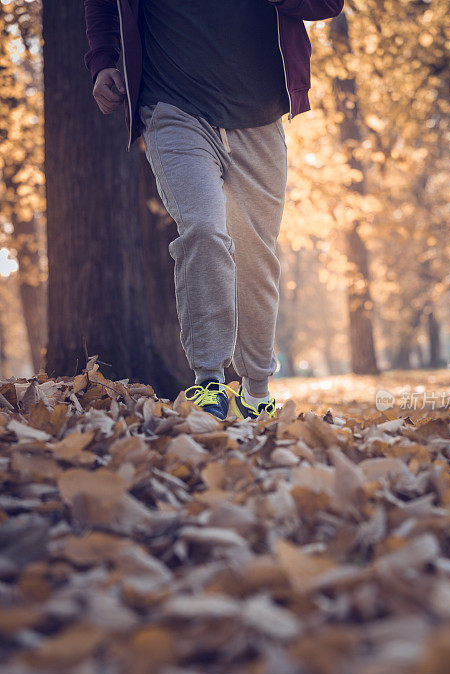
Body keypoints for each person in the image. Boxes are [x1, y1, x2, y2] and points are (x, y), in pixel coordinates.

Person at [84, 0, 344, 420]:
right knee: (203, 230)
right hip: (172, 108)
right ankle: (209, 382)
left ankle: (257, 391)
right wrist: (102, 62)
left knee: (257, 254)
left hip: (258, 113)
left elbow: (327, 4)